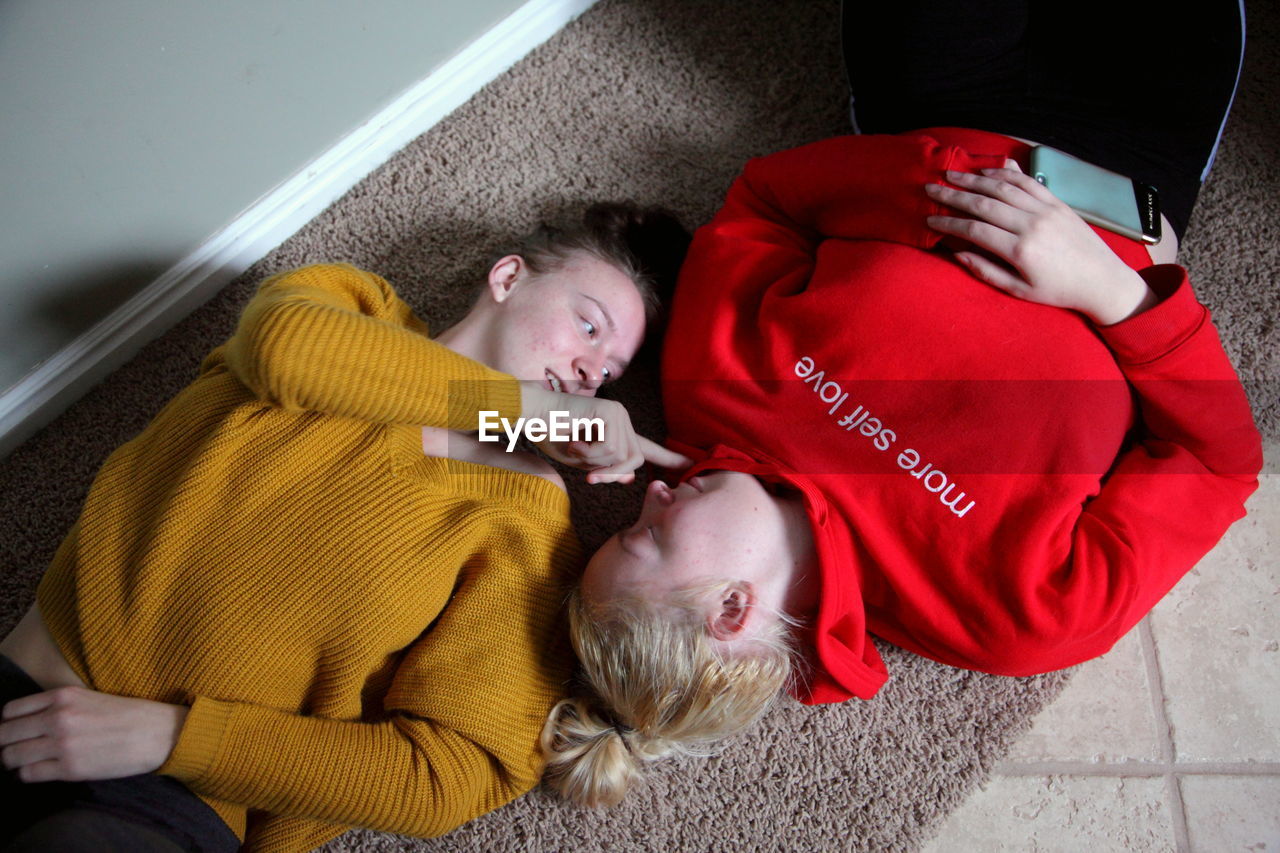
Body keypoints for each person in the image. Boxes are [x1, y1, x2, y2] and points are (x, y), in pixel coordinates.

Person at [540, 1, 1262, 807]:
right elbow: (1218, 460)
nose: (652, 492)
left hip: (940, 102)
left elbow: (768, 203)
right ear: (734, 609)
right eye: (646, 533)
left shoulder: (710, 394)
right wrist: (1114, 293)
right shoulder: (1014, 615)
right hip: (1131, 166)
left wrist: (965, 189)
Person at [0, 202, 691, 851]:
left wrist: (177, 737)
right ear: (509, 277)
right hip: (20, 686)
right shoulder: (354, 308)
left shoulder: (526, 519)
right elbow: (282, 348)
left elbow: (450, 772)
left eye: (609, 372)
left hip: (155, 801)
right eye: (589, 327)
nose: (589, 370)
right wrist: (526, 408)